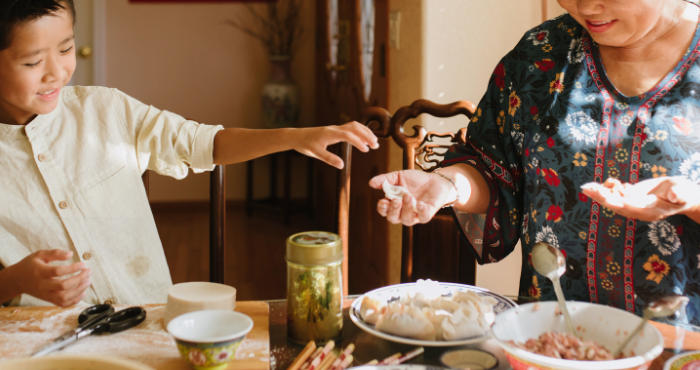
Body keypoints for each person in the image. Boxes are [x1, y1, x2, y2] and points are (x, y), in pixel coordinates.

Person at [0, 0, 379, 308]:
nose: (57, 72)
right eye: (33, 62)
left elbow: (202, 143)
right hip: (45, 346)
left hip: (146, 323)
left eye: (66, 48)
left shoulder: (106, 110)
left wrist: (294, 137)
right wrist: (15, 281)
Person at [370, 0, 700, 325]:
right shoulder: (539, 54)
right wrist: (447, 184)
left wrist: (690, 200)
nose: (585, 7)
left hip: (679, 346)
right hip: (549, 334)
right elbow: (495, 170)